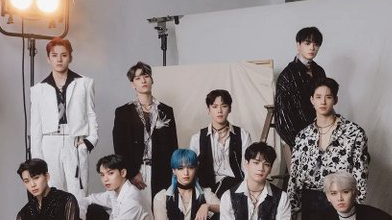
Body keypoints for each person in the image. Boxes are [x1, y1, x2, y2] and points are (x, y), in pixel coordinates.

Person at [287, 77, 370, 220]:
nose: (323, 102)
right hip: (310, 199)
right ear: (312, 100)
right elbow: (295, 174)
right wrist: (293, 207)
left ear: (335, 100)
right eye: (318, 97)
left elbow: (360, 172)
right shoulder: (302, 136)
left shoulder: (354, 132)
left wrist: (358, 206)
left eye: (328, 97)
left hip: (341, 198)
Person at [30, 37, 98, 200]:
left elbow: (91, 114)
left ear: (70, 57)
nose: (59, 59)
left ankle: (78, 217)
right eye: (54, 55)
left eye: (63, 55)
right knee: (52, 193)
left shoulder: (84, 83)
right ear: (48, 59)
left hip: (74, 141)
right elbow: (35, 126)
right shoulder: (38, 90)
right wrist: (37, 159)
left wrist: (90, 141)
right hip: (49, 142)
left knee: (78, 193)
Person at [113, 61, 178, 205]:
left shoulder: (166, 110)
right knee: (137, 210)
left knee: (160, 210)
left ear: (152, 80)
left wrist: (173, 174)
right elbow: (119, 147)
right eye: (138, 78)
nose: (143, 80)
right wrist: (132, 173)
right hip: (135, 169)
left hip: (161, 171)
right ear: (132, 84)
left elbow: (173, 146)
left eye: (146, 76)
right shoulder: (123, 112)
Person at [189, 89, 251, 198]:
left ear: (230, 109)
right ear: (208, 110)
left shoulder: (243, 135)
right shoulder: (197, 138)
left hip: (237, 186)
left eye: (224, 106)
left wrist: (246, 190)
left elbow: (247, 167)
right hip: (207, 188)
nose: (220, 111)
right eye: (214, 106)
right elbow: (191, 169)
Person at [275, 27, 326, 148]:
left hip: (322, 133)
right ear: (298, 45)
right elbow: (283, 119)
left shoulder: (319, 71)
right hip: (298, 138)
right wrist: (300, 144)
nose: (312, 48)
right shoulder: (287, 76)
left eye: (316, 44)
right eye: (307, 43)